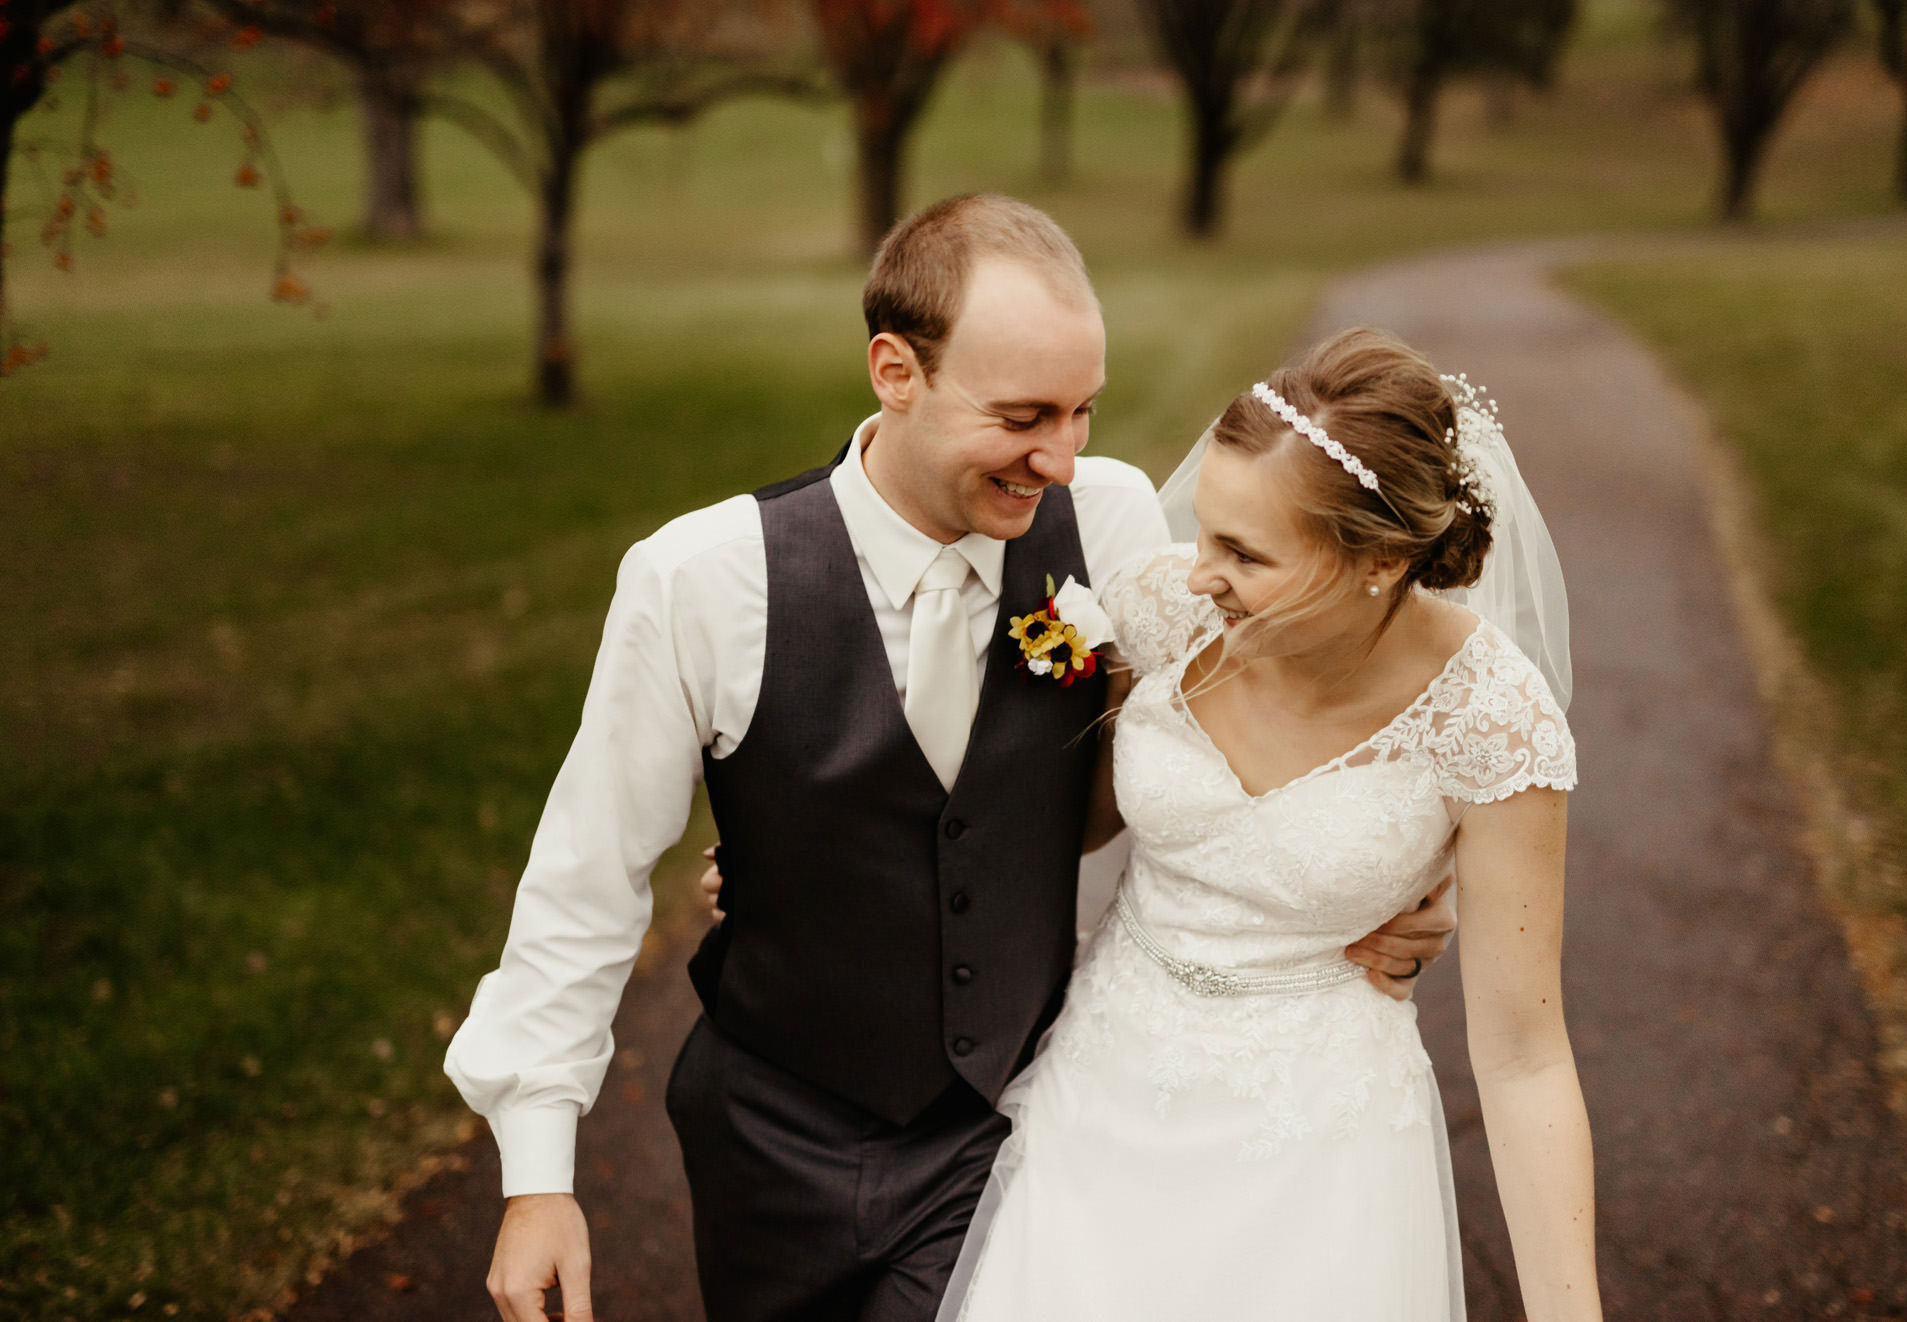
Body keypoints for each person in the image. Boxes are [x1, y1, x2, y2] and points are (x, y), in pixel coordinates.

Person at [442, 194, 1457, 1322]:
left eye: (1084, 411)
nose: (1064, 458)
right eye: (1026, 414)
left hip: (1008, 1123)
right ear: (895, 370)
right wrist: (538, 1176)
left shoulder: (1112, 524)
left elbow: (1299, 687)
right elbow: (586, 878)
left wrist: (1400, 872)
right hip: (769, 1141)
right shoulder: (702, 581)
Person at [926, 328, 1595, 1320]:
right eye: (1204, 529)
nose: (1196, 572)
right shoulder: (1167, 612)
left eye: (1243, 551)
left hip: (1320, 1139)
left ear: (1378, 558)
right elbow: (1038, 820)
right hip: (1102, 1095)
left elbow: (1525, 1055)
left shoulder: (1490, 720)